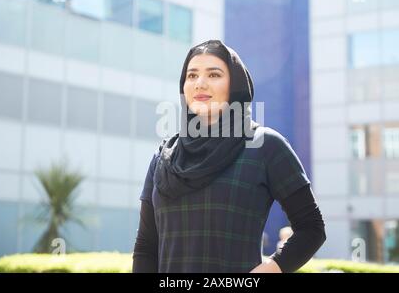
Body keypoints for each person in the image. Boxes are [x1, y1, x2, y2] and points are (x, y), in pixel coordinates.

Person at [132, 39, 326, 273]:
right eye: (191, 76)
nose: (200, 83)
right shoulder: (164, 156)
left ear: (235, 86)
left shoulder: (264, 145)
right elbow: (146, 247)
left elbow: (311, 228)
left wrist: (270, 269)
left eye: (213, 75)